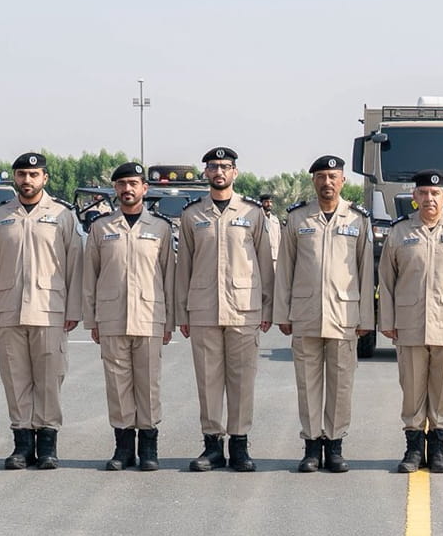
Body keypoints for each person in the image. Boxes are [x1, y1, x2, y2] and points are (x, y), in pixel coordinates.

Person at [0, 152, 81, 471]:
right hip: (9, 310)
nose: (27, 180)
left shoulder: (62, 215)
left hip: (50, 310)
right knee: (15, 378)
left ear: (44, 178)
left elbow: (75, 264)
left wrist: (74, 309)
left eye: (34, 174)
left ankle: (47, 445)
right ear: (15, 178)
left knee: (49, 379)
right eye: (22, 174)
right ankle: (22, 445)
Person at [378, 169, 443, 474]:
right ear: (414, 196)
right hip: (410, 322)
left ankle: (438, 448)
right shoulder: (399, 232)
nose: (429, 199)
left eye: (435, 193)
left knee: (442, 388)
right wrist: (387, 320)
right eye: (423, 193)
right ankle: (413, 449)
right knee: (412, 389)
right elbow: (386, 280)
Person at [175, 147, 273, 473]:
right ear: (205, 172)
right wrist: (182, 313)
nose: (219, 172)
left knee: (242, 380)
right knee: (208, 380)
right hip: (203, 308)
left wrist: (267, 307)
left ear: (235, 172)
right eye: (214, 166)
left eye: (225, 166)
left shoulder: (253, 213)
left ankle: (240, 445)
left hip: (244, 309)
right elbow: (183, 267)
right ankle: (212, 446)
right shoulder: (192, 215)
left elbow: (265, 263)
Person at [276, 155, 373, 473]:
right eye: (321, 176)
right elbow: (285, 268)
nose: (327, 182)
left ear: (343, 181)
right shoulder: (298, 218)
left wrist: (366, 317)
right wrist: (283, 313)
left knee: (341, 384)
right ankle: (311, 447)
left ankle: (334, 446)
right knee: (308, 384)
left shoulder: (358, 218)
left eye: (333, 176)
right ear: (313, 181)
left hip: (344, 314)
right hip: (306, 313)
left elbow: (366, 270)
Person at [82, 162, 178, 472]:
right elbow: (90, 276)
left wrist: (170, 321)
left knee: (148, 384)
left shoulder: (160, 228)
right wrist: (92, 320)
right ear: (115, 189)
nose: (127, 189)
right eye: (122, 184)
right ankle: (123, 448)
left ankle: (148, 447)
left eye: (133, 183)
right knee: (118, 384)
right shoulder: (101, 228)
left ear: (144, 189)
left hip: (150, 316)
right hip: (112, 316)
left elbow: (169, 276)